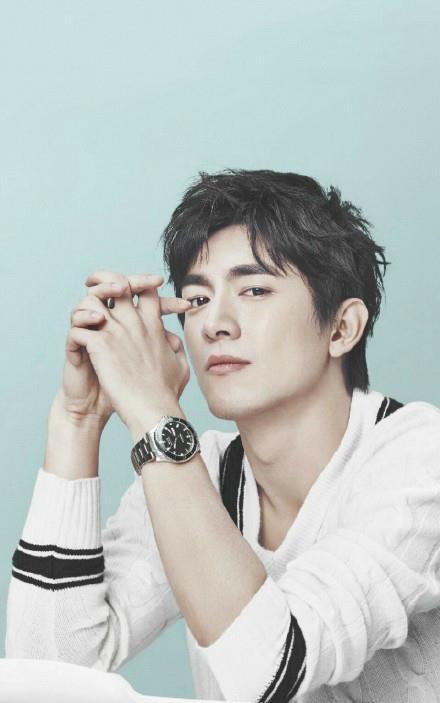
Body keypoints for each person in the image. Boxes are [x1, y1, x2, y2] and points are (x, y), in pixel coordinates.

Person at [5, 169, 440, 702]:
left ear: (342, 327)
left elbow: (273, 670)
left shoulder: (419, 458)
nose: (215, 324)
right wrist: (79, 419)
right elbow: (46, 674)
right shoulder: (201, 471)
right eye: (196, 299)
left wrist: (154, 414)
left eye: (254, 290)